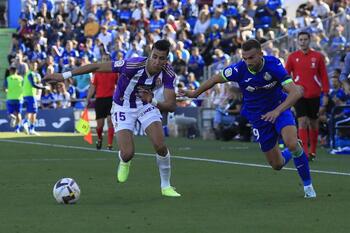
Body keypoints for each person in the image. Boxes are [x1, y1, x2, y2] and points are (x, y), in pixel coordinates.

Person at [180, 39, 316, 198]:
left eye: (251, 58)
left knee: (291, 142)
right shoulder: (239, 69)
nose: (247, 61)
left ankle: (308, 186)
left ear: (260, 54)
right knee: (277, 165)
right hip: (258, 117)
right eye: (244, 58)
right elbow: (215, 78)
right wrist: (195, 93)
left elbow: (294, 92)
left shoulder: (273, 65)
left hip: (279, 108)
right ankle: (290, 152)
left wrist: (278, 111)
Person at [44, 39, 181, 197]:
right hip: (123, 105)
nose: (157, 61)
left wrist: (153, 100)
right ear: (150, 54)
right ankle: (124, 160)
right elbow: (96, 66)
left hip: (146, 104)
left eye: (161, 58)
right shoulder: (131, 65)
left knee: (160, 146)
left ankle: (166, 186)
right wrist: (63, 75)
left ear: (167, 59)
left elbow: (171, 105)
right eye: (154, 56)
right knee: (128, 153)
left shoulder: (168, 73)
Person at [285, 31, 329, 161]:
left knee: (313, 123)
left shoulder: (318, 56)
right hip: (299, 95)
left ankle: (313, 151)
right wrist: (290, 89)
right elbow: (286, 75)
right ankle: (304, 151)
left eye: (305, 39)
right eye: (301, 40)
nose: (303, 42)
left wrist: (325, 93)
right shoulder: (292, 57)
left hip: (314, 94)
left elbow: (324, 76)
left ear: (309, 40)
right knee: (302, 121)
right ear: (297, 41)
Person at [86, 54, 118, 150]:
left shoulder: (114, 72)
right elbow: (93, 86)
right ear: (101, 60)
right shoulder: (97, 73)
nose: (105, 61)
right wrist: (88, 98)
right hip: (100, 100)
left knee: (110, 122)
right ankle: (99, 139)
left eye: (107, 59)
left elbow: (119, 84)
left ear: (110, 61)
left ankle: (109, 145)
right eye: (104, 59)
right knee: (100, 125)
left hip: (111, 99)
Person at [22, 61, 50, 135]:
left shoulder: (29, 74)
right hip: (31, 95)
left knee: (30, 111)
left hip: (27, 95)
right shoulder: (30, 74)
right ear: (30, 65)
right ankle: (27, 124)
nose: (34, 66)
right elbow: (34, 85)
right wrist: (44, 87)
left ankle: (29, 127)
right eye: (33, 65)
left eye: (35, 65)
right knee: (34, 111)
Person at [3, 64, 23, 133]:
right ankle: (18, 129)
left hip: (10, 98)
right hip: (19, 98)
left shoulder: (8, 78)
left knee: (10, 113)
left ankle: (12, 116)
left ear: (11, 71)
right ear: (16, 71)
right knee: (19, 113)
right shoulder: (21, 78)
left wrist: (7, 91)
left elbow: (5, 89)